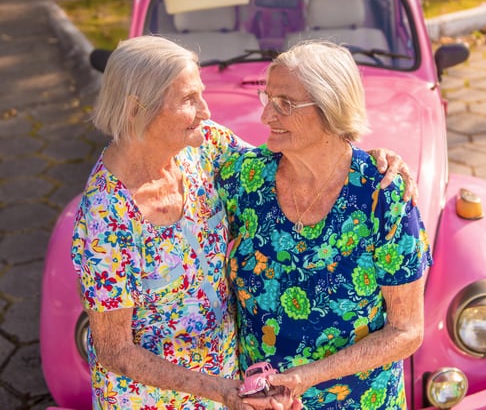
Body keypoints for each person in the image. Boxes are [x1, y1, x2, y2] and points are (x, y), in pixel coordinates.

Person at [71, 36, 417, 409]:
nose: (206, 111)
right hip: (155, 400)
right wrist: (222, 391)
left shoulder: (203, 150)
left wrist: (368, 161)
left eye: (200, 94)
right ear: (137, 109)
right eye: (188, 100)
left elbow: (313, 157)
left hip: (243, 389)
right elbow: (113, 349)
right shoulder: (106, 215)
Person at [217, 40, 432, 409]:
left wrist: (305, 378)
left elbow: (406, 331)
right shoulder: (245, 177)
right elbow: (178, 148)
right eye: (267, 98)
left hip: (362, 401)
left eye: (284, 104)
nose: (266, 117)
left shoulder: (381, 195)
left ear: (331, 108)